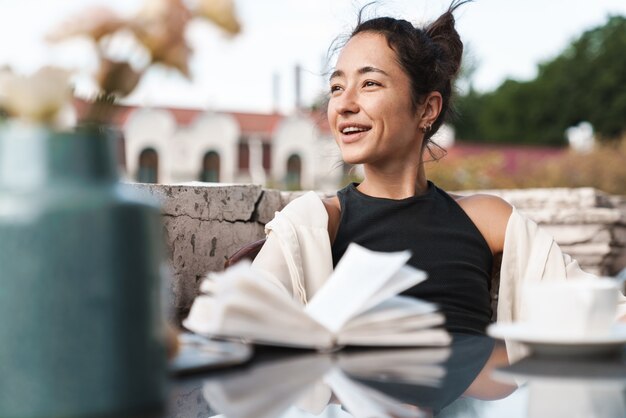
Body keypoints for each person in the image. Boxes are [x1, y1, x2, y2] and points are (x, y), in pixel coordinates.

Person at [251, 1, 626, 360]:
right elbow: (247, 328)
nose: (344, 103)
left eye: (369, 84)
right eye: (336, 87)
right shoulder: (314, 221)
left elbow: (596, 308)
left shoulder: (487, 219)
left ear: (427, 109)